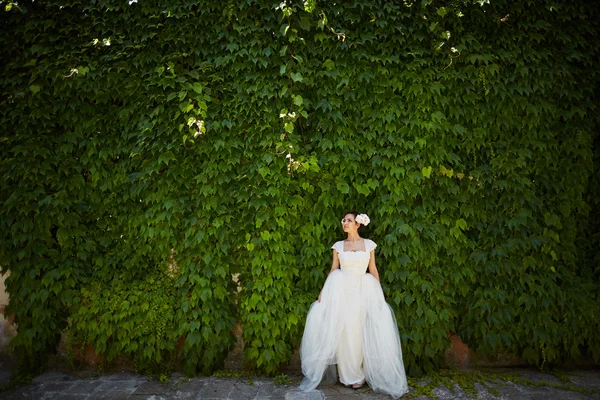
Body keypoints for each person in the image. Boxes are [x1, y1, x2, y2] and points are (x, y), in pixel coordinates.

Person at [298, 212, 408, 398]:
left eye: (348, 220)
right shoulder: (339, 246)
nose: (345, 223)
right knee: (344, 331)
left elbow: (372, 269)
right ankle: (346, 375)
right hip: (341, 291)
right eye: (343, 220)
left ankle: (358, 374)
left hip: (362, 291)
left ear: (358, 224)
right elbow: (334, 269)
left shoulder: (369, 244)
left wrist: (379, 294)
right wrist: (323, 292)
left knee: (357, 331)